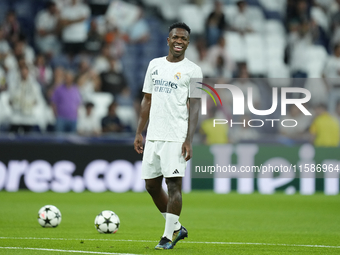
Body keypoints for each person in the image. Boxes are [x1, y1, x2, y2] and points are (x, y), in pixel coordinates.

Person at [134, 22, 202, 250]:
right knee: (152, 186)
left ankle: (166, 236)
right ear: (168, 40)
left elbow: (195, 107)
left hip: (176, 136)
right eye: (176, 37)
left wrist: (189, 140)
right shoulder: (154, 65)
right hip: (154, 136)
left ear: (188, 43)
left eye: (184, 39)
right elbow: (147, 100)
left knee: (174, 187)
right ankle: (177, 227)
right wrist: (139, 132)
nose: (179, 42)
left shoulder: (194, 70)